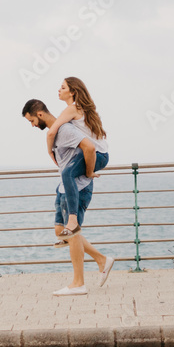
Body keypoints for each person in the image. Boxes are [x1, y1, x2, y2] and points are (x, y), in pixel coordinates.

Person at [22, 98, 115, 296]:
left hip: (78, 189)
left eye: (31, 121)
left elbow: (89, 148)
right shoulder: (56, 132)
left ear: (39, 114)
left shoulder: (64, 130)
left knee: (72, 234)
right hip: (64, 188)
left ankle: (78, 284)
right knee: (59, 231)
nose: (32, 125)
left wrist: (89, 174)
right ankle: (101, 259)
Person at [44, 77, 110, 234]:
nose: (59, 90)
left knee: (67, 173)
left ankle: (72, 221)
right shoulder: (84, 109)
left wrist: (49, 151)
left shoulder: (72, 109)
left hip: (96, 155)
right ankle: (69, 224)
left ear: (72, 92)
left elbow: (52, 131)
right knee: (68, 174)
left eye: (63, 88)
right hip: (101, 155)